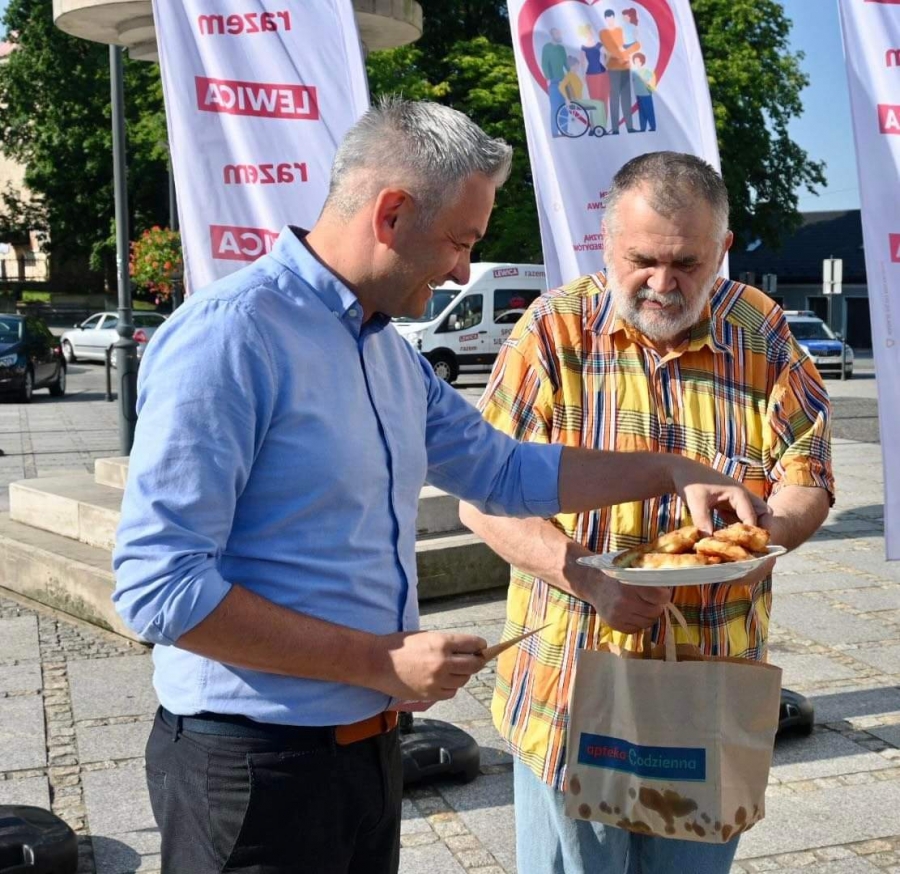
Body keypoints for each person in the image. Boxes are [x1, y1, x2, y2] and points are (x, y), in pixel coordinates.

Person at [113, 106, 765, 874]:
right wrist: (379, 660)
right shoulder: (232, 335)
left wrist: (670, 470)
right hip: (250, 771)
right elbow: (159, 588)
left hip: (364, 754)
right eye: (461, 242)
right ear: (391, 213)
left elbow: (505, 472)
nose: (462, 272)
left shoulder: (387, 353)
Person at [460, 151, 834, 874]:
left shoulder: (761, 331)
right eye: (642, 261)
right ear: (606, 244)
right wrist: (589, 580)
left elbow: (808, 475)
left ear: (723, 249)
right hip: (572, 681)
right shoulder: (552, 331)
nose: (663, 284)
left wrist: (768, 531)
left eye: (687, 263)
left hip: (711, 681)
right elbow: (483, 499)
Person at [600, 8, 638, 133]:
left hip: (625, 66)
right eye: (608, 18)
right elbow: (608, 49)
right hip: (613, 68)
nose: (610, 20)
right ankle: (615, 128)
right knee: (614, 97)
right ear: (605, 19)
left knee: (626, 97)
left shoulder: (620, 30)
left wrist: (626, 52)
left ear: (613, 18)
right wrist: (619, 53)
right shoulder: (603, 33)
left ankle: (629, 127)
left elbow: (625, 45)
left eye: (612, 18)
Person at [542, 28, 569, 137]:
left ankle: (564, 130)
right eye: (557, 33)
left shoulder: (561, 49)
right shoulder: (547, 47)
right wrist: (548, 78)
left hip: (563, 81)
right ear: (552, 34)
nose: (559, 35)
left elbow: (566, 64)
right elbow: (544, 63)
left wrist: (571, 75)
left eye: (560, 33)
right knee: (555, 107)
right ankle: (554, 132)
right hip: (553, 81)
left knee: (564, 107)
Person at [632, 52, 657, 132]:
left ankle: (652, 126)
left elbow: (652, 81)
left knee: (649, 111)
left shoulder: (646, 71)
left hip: (646, 94)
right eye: (635, 61)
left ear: (641, 61)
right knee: (641, 112)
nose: (636, 62)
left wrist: (650, 90)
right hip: (638, 94)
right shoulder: (634, 72)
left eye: (638, 61)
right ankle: (642, 128)